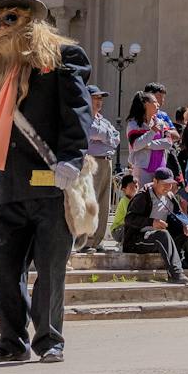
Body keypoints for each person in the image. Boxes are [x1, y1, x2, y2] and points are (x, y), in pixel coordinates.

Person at [0, 0, 91, 365]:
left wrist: (73, 158)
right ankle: (11, 341)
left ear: (29, 19)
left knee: (50, 271)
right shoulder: (1, 72)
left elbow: (78, 113)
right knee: (5, 269)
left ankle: (49, 340)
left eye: (10, 19)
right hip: (12, 183)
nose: (0, 28)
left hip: (52, 181)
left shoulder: (61, 58)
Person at [121, 168, 188, 282]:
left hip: (160, 238)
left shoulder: (169, 196)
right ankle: (176, 273)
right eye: (164, 184)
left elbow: (178, 214)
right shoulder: (143, 196)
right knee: (163, 235)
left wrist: (185, 224)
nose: (167, 188)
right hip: (138, 240)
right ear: (155, 181)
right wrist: (151, 222)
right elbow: (129, 219)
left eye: (170, 184)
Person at [78, 84, 120, 251]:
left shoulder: (103, 120)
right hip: (91, 161)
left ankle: (98, 240)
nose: (99, 101)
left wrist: (104, 136)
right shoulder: (84, 118)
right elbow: (92, 133)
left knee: (104, 202)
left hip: (106, 161)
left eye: (100, 98)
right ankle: (86, 241)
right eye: (96, 98)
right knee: (90, 201)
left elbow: (116, 139)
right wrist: (105, 136)